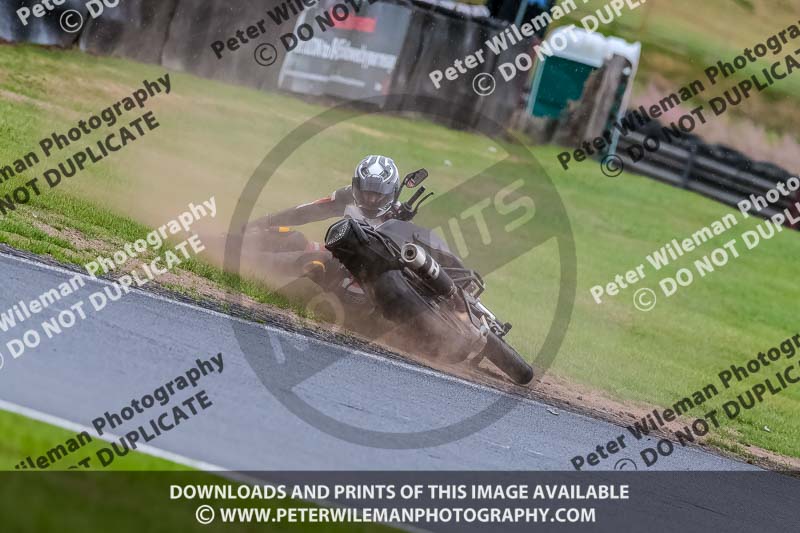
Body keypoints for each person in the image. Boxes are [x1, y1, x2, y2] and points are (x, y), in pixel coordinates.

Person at [252, 155, 402, 230]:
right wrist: (267, 222)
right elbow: (305, 212)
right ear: (357, 186)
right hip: (342, 264)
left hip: (380, 274)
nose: (371, 199)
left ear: (390, 193)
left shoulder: (401, 216)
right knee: (296, 241)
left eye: (377, 194)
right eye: (367, 192)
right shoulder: (346, 197)